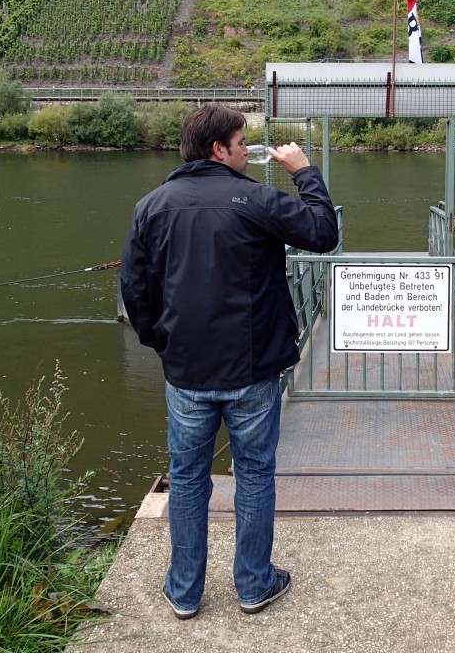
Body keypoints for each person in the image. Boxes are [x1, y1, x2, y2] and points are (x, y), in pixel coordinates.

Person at [119, 106, 338, 619]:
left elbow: (134, 290)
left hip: (187, 373)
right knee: (256, 474)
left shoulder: (152, 205)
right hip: (252, 370)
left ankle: (184, 592)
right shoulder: (256, 200)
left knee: (188, 476)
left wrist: (163, 344)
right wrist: (304, 170)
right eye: (242, 143)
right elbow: (323, 232)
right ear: (219, 149)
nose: (248, 151)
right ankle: (254, 585)